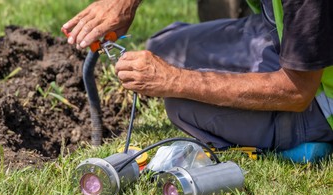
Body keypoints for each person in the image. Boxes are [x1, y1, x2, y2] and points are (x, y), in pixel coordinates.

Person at [62, 0, 333, 151]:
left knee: (183, 105)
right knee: (162, 49)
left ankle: (307, 141)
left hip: (318, 100)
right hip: (277, 35)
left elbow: (296, 92)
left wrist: (173, 80)